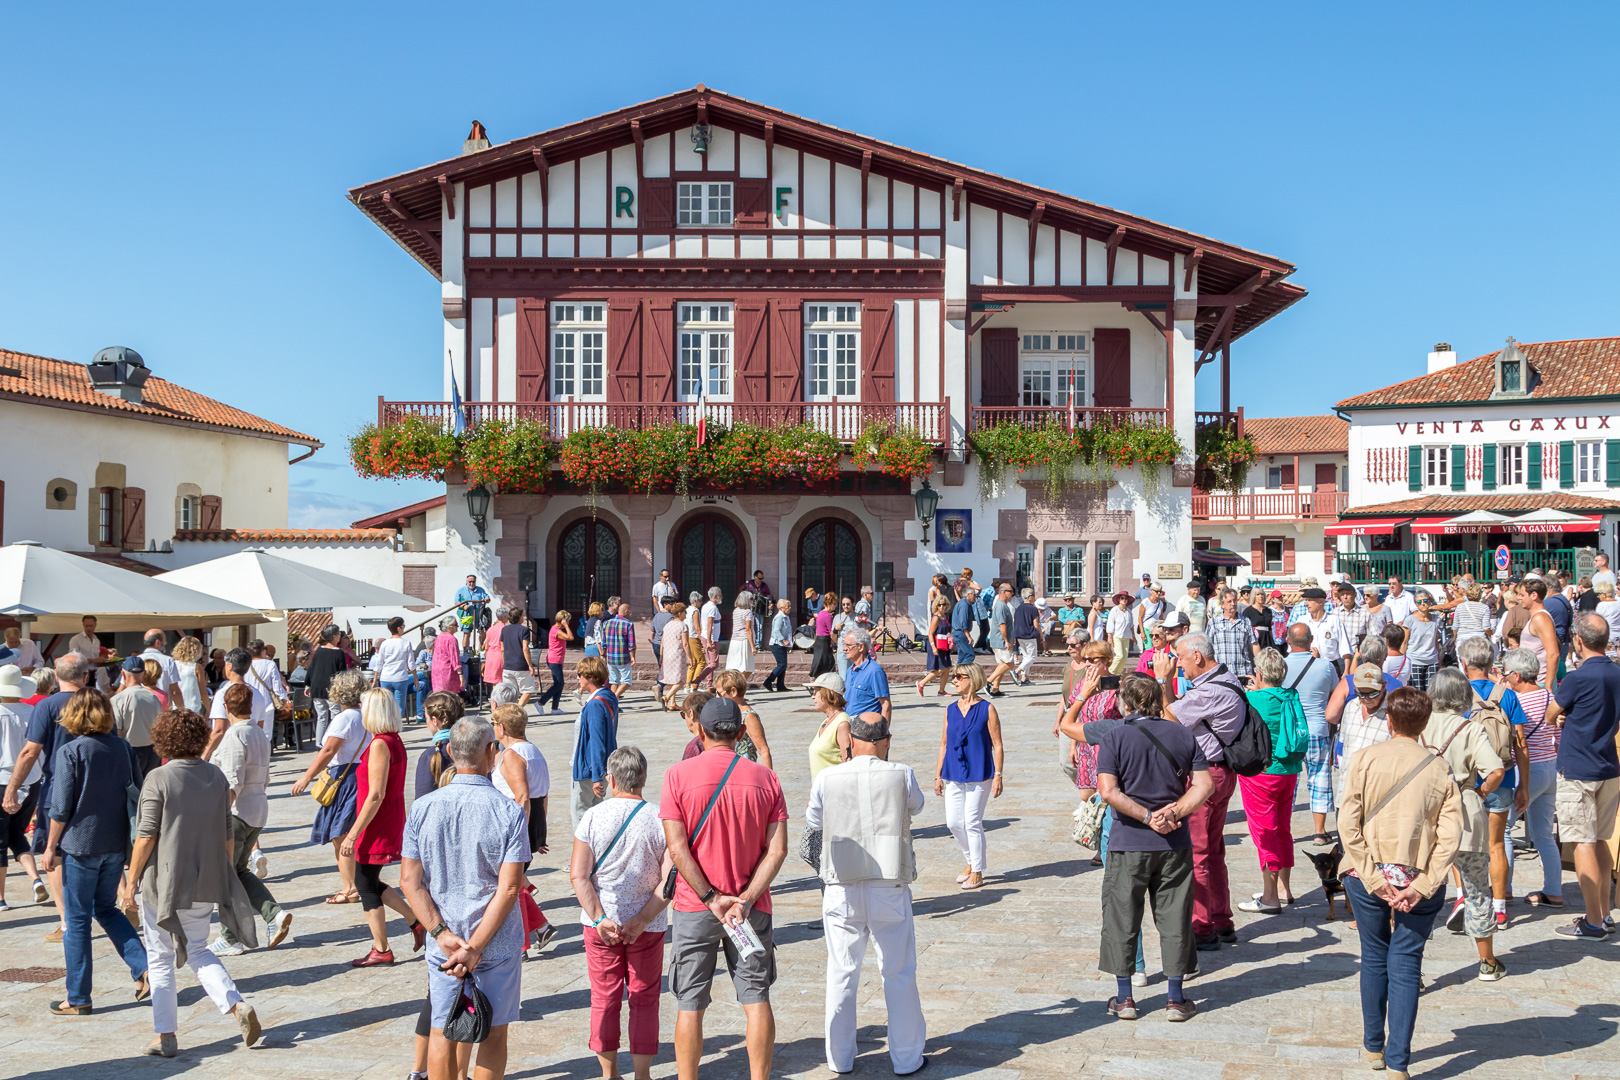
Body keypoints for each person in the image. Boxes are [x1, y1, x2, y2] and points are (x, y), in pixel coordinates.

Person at [661, 696, 789, 1080]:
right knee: (756, 998)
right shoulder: (766, 778)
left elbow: (677, 848)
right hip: (749, 910)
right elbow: (778, 850)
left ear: (700, 729)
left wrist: (711, 897)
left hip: (695, 906)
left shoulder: (678, 775)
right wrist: (745, 899)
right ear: (740, 732)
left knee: (690, 1003)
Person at [120, 707, 260, 1055]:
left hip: (164, 882)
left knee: (160, 958)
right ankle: (235, 1004)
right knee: (198, 949)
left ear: (162, 740)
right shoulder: (215, 776)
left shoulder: (159, 778)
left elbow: (146, 835)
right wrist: (224, 871)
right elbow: (227, 832)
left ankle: (165, 1035)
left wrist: (131, 881)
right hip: (205, 879)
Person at [1338, 687, 1461, 1077]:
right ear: (1426, 725)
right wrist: (1423, 884)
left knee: (1374, 955)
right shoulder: (1439, 767)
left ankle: (1374, 1046)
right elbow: (1450, 835)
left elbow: (1347, 823)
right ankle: (1397, 1063)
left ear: (1388, 720)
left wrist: (1374, 878)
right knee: (1406, 962)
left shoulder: (1365, 759)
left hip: (1367, 872)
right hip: (1416, 874)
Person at [401, 717, 529, 1080]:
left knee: (442, 1029)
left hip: (445, 942)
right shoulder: (507, 812)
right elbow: (508, 888)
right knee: (493, 1031)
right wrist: (475, 947)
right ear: (490, 752)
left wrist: (440, 933)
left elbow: (410, 881)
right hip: (495, 941)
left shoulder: (423, 809)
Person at [807, 711, 928, 1074]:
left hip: (842, 883)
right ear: (885, 740)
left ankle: (839, 1058)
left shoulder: (828, 777)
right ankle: (906, 1058)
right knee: (898, 972)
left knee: (842, 972)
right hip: (887, 882)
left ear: (850, 741)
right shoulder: (901, 773)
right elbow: (917, 806)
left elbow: (814, 821)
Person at [1094, 674, 1213, 1023]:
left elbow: (1108, 792)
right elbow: (1204, 785)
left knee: (1121, 917)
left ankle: (1125, 997)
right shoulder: (1182, 735)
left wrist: (1147, 817)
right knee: (1175, 917)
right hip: (1174, 842)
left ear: (1125, 703)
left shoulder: (1115, 738)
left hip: (1128, 841)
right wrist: (1173, 812)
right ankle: (1175, 998)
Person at [41, 688, 150, 1015]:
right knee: (107, 909)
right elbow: (139, 791)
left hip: (80, 845)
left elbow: (60, 807)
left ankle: (77, 997)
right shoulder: (123, 748)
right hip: (116, 843)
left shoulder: (70, 751)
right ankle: (144, 967)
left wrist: (49, 847)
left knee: (76, 921)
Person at [570, 746, 672, 1080]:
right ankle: (642, 1074)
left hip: (602, 927)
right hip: (648, 925)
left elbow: (579, 875)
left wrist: (599, 917)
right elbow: (669, 881)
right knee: (644, 999)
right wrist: (642, 919)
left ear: (611, 779)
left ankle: (609, 1073)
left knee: (604, 997)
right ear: (643, 778)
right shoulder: (660, 820)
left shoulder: (592, 817)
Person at [1155, 632, 1245, 950]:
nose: (1178, 664)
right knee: (1214, 850)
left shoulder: (1208, 692)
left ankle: (1202, 925)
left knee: (1199, 853)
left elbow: (1170, 719)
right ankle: (1222, 919)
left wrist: (1162, 680)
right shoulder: (1228, 677)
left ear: (1197, 656)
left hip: (1206, 777)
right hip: (1223, 773)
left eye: (1180, 657)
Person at [1422, 669, 1509, 979]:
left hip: (1425, 816)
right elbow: (1496, 771)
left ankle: (1412, 969)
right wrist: (1479, 793)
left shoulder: (1418, 725)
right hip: (1464, 813)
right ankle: (1487, 962)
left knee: (1419, 891)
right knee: (1475, 890)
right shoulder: (1470, 729)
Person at [3, 652, 90, 942]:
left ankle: (67, 923)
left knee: (55, 855)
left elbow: (30, 752)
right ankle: (122, 898)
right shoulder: (98, 702)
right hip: (94, 785)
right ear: (86, 675)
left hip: (57, 786)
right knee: (97, 851)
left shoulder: (48, 705)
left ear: (55, 676)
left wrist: (13, 787)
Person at [1544, 613, 1620, 938]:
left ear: (1578, 640)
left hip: (1578, 767)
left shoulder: (1576, 677)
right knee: (1601, 840)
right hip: (1608, 765)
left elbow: (1551, 715)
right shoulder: (1617, 673)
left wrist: (1563, 719)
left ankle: (1591, 922)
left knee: (1582, 842)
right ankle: (1603, 914)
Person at [206, 684, 291, 956]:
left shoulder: (235, 736)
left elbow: (233, 781)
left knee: (225, 875)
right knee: (239, 871)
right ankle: (273, 915)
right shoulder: (258, 733)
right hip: (257, 809)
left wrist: (217, 818)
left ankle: (230, 937)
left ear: (226, 708)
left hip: (236, 812)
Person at [343, 688, 427, 966]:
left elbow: (375, 794)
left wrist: (353, 833)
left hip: (377, 821)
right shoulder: (394, 740)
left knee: (364, 883)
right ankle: (415, 921)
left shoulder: (380, 744)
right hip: (388, 816)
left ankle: (382, 948)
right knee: (369, 879)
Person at [1457, 635, 1531, 927]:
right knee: (1497, 843)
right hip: (1502, 775)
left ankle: (1465, 899)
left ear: (1464, 664)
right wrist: (1524, 784)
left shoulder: (1459, 693)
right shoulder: (1507, 694)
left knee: (1462, 842)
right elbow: (1521, 742)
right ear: (1491, 664)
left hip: (1467, 779)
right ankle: (1499, 907)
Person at [290, 669, 371, 904]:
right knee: (348, 833)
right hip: (360, 774)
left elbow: (328, 751)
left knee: (340, 834)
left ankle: (350, 887)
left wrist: (306, 777)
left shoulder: (344, 718)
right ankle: (353, 885)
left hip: (343, 778)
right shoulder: (366, 715)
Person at [1238, 649, 1309, 912]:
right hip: (1289, 770)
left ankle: (1269, 898)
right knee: (1282, 829)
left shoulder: (1254, 699)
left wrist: (1251, 689)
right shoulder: (1291, 695)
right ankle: (1283, 888)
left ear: (1259, 673)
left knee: (1264, 833)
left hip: (1262, 774)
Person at [1499, 647, 1562, 907]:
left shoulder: (1517, 702)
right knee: (1545, 834)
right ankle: (1554, 891)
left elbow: (1514, 740)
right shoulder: (1549, 695)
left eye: (1505, 674)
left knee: (1503, 829)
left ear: (1516, 675)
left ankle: (1504, 888)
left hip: (1528, 770)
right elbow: (1557, 735)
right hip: (1550, 767)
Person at [934, 663, 1004, 890]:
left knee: (972, 822)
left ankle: (977, 871)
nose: (954, 680)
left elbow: (998, 745)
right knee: (954, 823)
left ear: (971, 679)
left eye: (958, 677)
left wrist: (999, 775)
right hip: (953, 772)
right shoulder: (950, 709)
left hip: (980, 772)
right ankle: (971, 860)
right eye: (953, 677)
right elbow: (944, 744)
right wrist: (937, 775)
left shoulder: (987, 709)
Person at [1283, 625, 1342, 846]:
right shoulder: (1325, 666)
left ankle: (1285, 830)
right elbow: (1335, 693)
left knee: (1289, 781)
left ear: (1288, 640)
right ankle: (1319, 831)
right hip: (1317, 729)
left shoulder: (1281, 665)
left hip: (1290, 732)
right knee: (1319, 779)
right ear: (1312, 640)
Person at [0, 665, 46, 910]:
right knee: (18, 834)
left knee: (0, 841)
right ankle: (36, 879)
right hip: (32, 779)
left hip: (2, 780)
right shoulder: (33, 712)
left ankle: (0, 899)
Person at [492, 702, 551, 859]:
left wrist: (520, 835)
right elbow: (544, 795)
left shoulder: (512, 755)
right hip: (534, 819)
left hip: (515, 823)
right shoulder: (533, 750)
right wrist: (539, 831)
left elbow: (522, 797)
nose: (493, 727)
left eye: (494, 724)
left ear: (502, 728)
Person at [571, 657, 620, 826]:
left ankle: (585, 852)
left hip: (589, 769)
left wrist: (596, 775)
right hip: (600, 766)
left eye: (580, 675)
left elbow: (597, 740)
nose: (577, 678)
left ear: (590, 677)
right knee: (597, 815)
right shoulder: (608, 696)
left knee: (581, 816)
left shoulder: (594, 705)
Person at [207, 647, 272, 759]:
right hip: (252, 751)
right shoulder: (257, 694)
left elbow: (219, 730)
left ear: (229, 666)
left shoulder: (223, 693)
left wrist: (203, 755)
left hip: (229, 750)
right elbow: (259, 727)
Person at [113, 654, 164, 777]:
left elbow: (117, 732)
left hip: (129, 751)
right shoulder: (153, 697)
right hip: (152, 752)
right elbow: (160, 727)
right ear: (144, 674)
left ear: (123, 674)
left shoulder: (117, 699)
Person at [715, 669, 772, 768]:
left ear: (733, 691)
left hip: (745, 772)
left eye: (720, 694)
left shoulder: (748, 717)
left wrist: (769, 780)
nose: (716, 697)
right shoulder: (730, 712)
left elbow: (763, 750)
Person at [416, 691, 465, 799]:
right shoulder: (471, 749)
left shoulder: (430, 755)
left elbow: (421, 801)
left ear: (434, 720)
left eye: (426, 718)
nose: (426, 722)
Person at [306, 624, 349, 743]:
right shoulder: (338, 653)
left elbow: (311, 669)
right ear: (335, 636)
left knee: (321, 717)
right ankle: (333, 741)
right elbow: (342, 674)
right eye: (339, 634)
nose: (340, 636)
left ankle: (319, 742)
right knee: (335, 716)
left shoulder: (319, 650)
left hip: (317, 688)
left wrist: (307, 684)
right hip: (332, 689)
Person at [1518, 577, 1563, 689]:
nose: (1519, 598)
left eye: (1522, 595)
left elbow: (1553, 653)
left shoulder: (1541, 618)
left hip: (1540, 683)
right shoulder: (1537, 617)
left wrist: (1547, 686)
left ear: (1534, 595)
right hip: (1533, 682)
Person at [841, 627, 891, 726]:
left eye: (848, 645)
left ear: (860, 647)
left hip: (867, 729)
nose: (844, 649)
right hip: (850, 726)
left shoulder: (874, 671)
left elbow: (885, 704)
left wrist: (883, 733)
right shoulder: (850, 670)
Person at [807, 673, 853, 780]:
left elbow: (848, 764)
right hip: (821, 791)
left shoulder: (842, 724)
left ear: (830, 693)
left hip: (833, 792)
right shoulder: (827, 721)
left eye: (816, 691)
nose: (812, 696)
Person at [1206, 589, 1258, 680]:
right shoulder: (1213, 622)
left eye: (1234, 601)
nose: (1233, 604)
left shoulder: (1245, 621)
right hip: (1221, 673)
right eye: (1229, 601)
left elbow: (1254, 644)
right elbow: (1207, 647)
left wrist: (1260, 666)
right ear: (1222, 605)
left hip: (1243, 672)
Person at [1399, 593, 1441, 691]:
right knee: (1417, 692)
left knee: (1431, 691)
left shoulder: (1436, 619)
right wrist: (1402, 661)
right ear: (1416, 604)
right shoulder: (1410, 620)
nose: (1423, 604)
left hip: (1432, 660)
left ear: (1429, 602)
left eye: (1425, 601)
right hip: (1414, 660)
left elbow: (1436, 641)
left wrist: (1439, 660)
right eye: (1419, 602)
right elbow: (1404, 642)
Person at [916, 598, 954, 697]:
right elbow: (930, 633)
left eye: (944, 604)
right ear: (936, 606)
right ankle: (921, 683)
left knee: (947, 668)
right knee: (940, 668)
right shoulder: (936, 618)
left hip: (944, 644)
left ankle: (941, 690)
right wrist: (933, 647)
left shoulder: (946, 616)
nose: (942, 607)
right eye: (940, 605)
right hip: (936, 644)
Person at [985, 583, 1017, 696]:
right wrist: (1007, 641)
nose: (1012, 594)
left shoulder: (1003, 605)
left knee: (1002, 665)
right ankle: (988, 682)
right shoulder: (1001, 606)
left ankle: (995, 689)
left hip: (999, 640)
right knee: (1009, 663)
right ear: (1003, 592)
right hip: (1000, 640)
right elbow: (1002, 625)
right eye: (1010, 591)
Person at [541, 610, 574, 714]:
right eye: (567, 621)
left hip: (557, 659)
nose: (568, 623)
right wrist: (566, 626)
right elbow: (570, 637)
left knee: (559, 684)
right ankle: (541, 702)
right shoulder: (557, 631)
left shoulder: (556, 630)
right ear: (562, 621)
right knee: (559, 684)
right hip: (554, 659)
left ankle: (555, 708)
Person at [138, 629, 184, 704]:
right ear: (158, 642)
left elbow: (124, 686)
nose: (166, 643)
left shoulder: (136, 660)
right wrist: (181, 710)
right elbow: (175, 691)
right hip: (162, 705)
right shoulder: (168, 661)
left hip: (140, 705)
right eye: (165, 640)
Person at [603, 603, 636, 701]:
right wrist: (633, 656)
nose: (630, 613)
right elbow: (632, 643)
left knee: (614, 681)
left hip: (610, 657)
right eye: (629, 611)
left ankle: (613, 703)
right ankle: (613, 699)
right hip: (623, 657)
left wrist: (603, 654)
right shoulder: (628, 624)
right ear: (625, 611)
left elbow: (603, 642)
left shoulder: (607, 623)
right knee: (627, 681)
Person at [171, 635, 210, 717]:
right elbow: (203, 691)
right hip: (193, 708)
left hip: (175, 707)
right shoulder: (196, 667)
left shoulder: (172, 665)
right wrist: (208, 709)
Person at [663, 603, 693, 708]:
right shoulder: (683, 626)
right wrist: (690, 657)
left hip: (667, 654)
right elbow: (685, 643)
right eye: (685, 612)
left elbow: (663, 641)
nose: (686, 614)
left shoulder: (668, 625)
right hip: (678, 655)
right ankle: (666, 697)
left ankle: (672, 703)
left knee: (673, 679)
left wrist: (662, 655)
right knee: (681, 680)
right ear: (680, 613)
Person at [455, 574, 492, 653]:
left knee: (482, 632)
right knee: (466, 634)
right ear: (466, 581)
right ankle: (466, 651)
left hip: (479, 615)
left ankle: (480, 648)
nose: (471, 583)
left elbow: (487, 598)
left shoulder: (480, 590)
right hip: (467, 616)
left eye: (473, 582)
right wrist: (463, 606)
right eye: (470, 582)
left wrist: (486, 600)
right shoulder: (461, 590)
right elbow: (456, 602)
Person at [1012, 587, 1041, 684]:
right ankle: (1016, 671)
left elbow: (1014, 621)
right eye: (1033, 595)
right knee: (1032, 657)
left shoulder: (1018, 608)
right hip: (1029, 635)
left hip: (1020, 635)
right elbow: (1036, 625)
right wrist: (1041, 634)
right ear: (1029, 597)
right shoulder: (1033, 609)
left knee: (1026, 657)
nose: (1034, 597)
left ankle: (1024, 678)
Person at [763, 598, 792, 694]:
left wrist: (789, 643)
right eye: (788, 606)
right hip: (777, 644)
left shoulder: (786, 617)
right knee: (781, 664)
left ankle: (780, 685)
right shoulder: (779, 617)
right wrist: (783, 640)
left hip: (782, 644)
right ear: (782, 608)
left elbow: (788, 631)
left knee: (783, 665)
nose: (790, 608)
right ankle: (768, 681)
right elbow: (776, 631)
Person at [431, 615, 465, 698]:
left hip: (436, 671)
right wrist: (460, 674)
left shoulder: (439, 637)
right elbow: (454, 658)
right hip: (447, 672)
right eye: (456, 624)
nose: (458, 626)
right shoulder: (451, 639)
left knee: (440, 696)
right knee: (449, 697)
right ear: (449, 627)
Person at [726, 593, 756, 677]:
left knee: (735, 666)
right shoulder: (748, 612)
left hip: (734, 640)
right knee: (747, 667)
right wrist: (753, 646)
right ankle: (739, 685)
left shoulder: (735, 611)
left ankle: (737, 685)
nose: (752, 601)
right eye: (751, 599)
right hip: (744, 641)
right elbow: (748, 629)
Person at [699, 587, 724, 689]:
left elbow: (702, 623)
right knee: (713, 663)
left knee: (711, 663)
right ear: (715, 596)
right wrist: (709, 641)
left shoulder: (705, 606)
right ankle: (698, 680)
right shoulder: (712, 608)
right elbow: (710, 625)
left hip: (707, 636)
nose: (721, 597)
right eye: (720, 595)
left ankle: (709, 685)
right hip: (711, 638)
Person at [950, 584, 979, 667]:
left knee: (962, 656)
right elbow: (963, 622)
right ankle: (962, 673)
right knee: (969, 655)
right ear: (968, 595)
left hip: (959, 633)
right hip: (961, 633)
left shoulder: (963, 603)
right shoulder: (964, 605)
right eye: (974, 594)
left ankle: (957, 675)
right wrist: (968, 636)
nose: (975, 596)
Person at [651, 597, 675, 700]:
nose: (673, 606)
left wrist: (652, 643)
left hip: (656, 644)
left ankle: (659, 690)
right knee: (668, 668)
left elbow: (652, 631)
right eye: (671, 603)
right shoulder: (671, 617)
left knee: (662, 667)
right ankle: (659, 686)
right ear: (665, 604)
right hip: (666, 645)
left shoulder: (656, 616)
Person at [745, 571, 775, 649]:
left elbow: (769, 597)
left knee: (759, 626)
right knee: (748, 625)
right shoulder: (749, 584)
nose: (761, 580)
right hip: (749, 608)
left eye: (762, 578)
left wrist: (771, 604)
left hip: (760, 608)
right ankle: (748, 643)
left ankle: (758, 644)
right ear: (755, 577)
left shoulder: (764, 586)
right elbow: (742, 591)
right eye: (760, 578)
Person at [1107, 591, 1134, 675]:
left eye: (1126, 598)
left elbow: (1131, 625)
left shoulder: (1129, 611)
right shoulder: (1114, 610)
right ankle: (1110, 671)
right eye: (1122, 598)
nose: (1124, 600)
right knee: (1119, 656)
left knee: (1125, 657)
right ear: (1119, 599)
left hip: (1126, 637)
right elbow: (1110, 624)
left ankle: (1118, 673)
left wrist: (1134, 636)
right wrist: (1110, 637)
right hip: (1117, 636)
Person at [832, 595, 858, 683]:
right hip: (843, 652)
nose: (845, 606)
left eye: (848, 604)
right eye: (843, 604)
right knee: (844, 678)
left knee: (856, 677)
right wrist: (836, 629)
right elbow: (832, 635)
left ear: (853, 604)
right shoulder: (837, 617)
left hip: (856, 652)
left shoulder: (858, 618)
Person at [684, 593, 707, 691]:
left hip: (687, 636)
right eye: (700, 601)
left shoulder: (687, 610)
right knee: (701, 661)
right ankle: (694, 683)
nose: (701, 603)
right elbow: (697, 627)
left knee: (692, 662)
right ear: (695, 601)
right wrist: (702, 639)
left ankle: (688, 685)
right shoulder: (695, 611)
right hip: (694, 637)